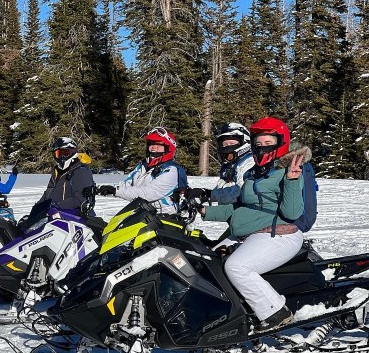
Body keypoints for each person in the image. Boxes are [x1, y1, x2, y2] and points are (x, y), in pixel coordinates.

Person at [200, 117, 308, 332]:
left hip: (279, 235)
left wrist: (292, 181)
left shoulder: (286, 173)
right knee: (207, 261)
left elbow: (292, 212)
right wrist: (204, 211)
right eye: (258, 144)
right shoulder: (252, 174)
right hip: (253, 234)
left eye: (268, 143)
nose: (262, 148)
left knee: (237, 267)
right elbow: (239, 207)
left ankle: (275, 312)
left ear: (280, 143)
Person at [97, 127, 185, 214]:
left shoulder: (171, 171)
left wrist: (116, 191)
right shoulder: (143, 165)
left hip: (164, 218)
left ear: (168, 148)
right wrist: (103, 189)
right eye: (151, 144)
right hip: (144, 214)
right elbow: (127, 182)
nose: (153, 148)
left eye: (158, 145)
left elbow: (148, 193)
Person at [186, 123, 255, 206]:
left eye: (232, 144)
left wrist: (210, 194)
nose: (227, 147)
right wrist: (205, 193)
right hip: (233, 213)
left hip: (247, 212)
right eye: (224, 144)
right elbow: (225, 189)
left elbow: (239, 192)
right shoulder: (231, 165)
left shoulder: (249, 163)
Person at [39, 137, 94, 212]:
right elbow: (48, 194)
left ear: (73, 152)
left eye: (65, 153)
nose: (62, 157)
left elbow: (81, 200)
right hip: (55, 215)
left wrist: (55, 207)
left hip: (75, 216)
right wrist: (36, 211)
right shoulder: (57, 171)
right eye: (58, 154)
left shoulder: (81, 170)